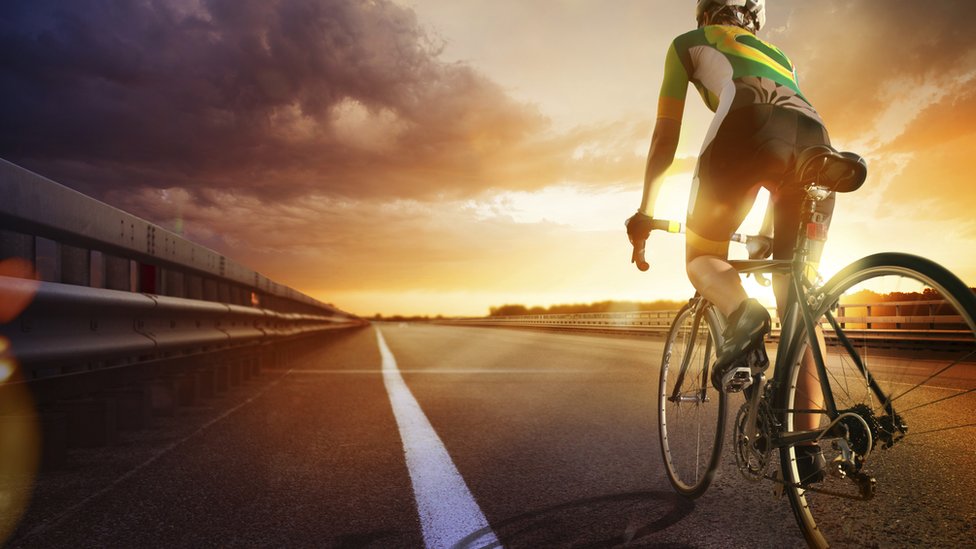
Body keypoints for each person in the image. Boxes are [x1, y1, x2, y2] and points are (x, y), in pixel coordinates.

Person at [625, 0, 829, 482]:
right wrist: (763, 233)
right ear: (754, 20)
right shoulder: (782, 57)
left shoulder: (686, 45)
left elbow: (665, 137)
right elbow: (777, 154)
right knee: (801, 299)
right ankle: (809, 447)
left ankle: (743, 313)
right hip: (815, 137)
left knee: (701, 258)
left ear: (705, 15)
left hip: (747, 125)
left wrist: (645, 211)